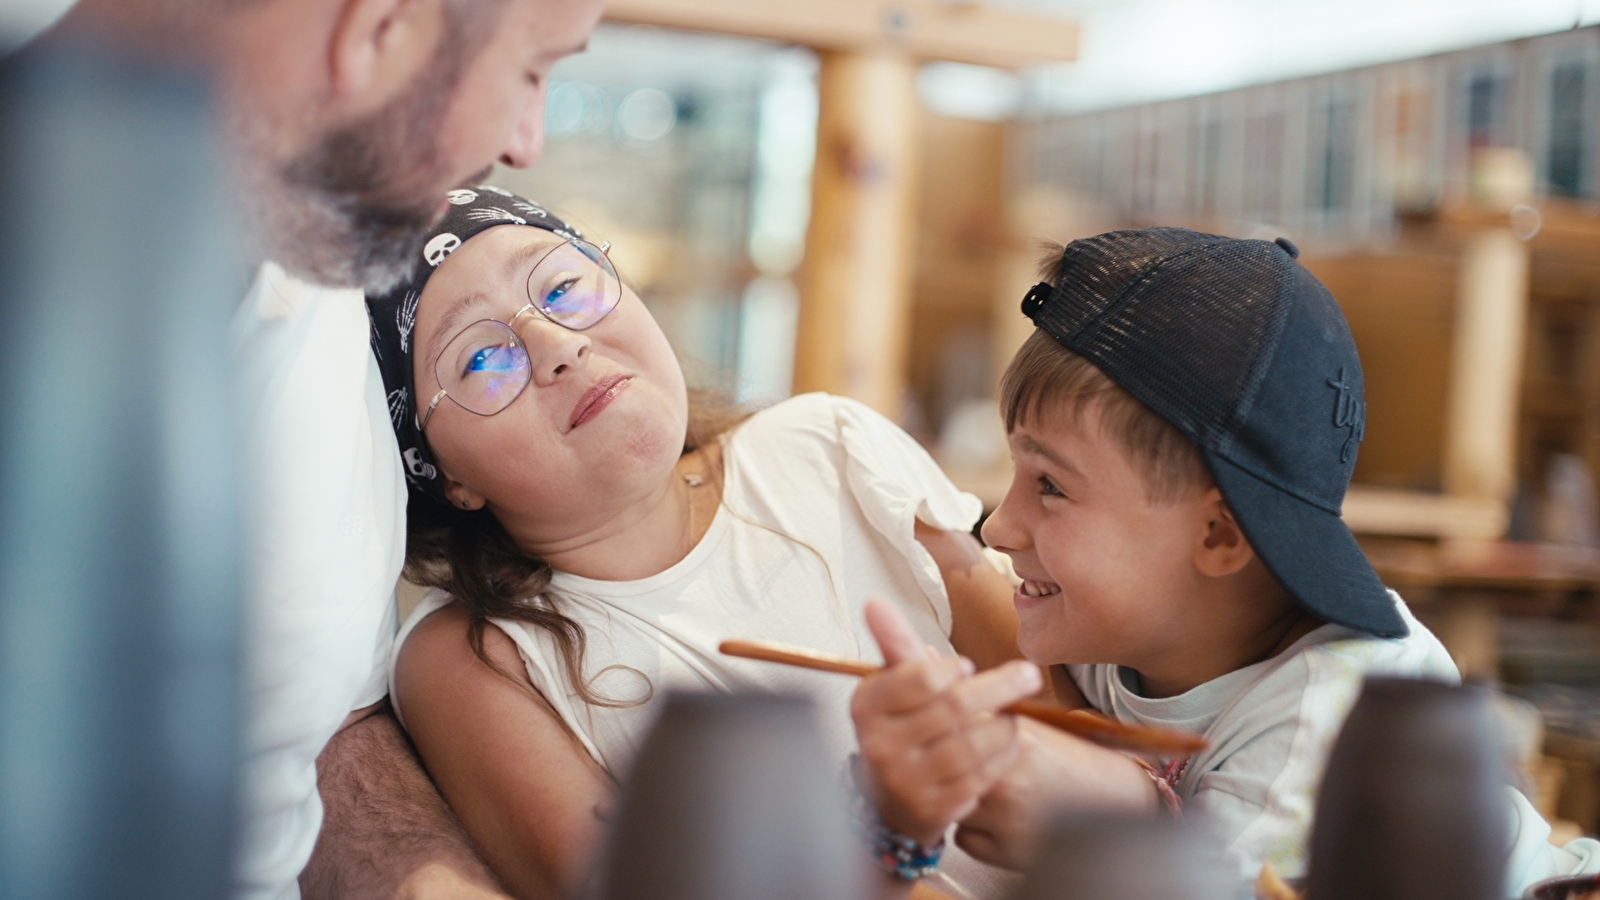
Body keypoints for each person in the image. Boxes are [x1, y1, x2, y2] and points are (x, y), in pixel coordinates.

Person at [32, 1, 606, 897]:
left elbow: (321, 730)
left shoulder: (324, 283)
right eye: (532, 70)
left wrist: (425, 879)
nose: (523, 142)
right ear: (382, 27)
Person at [848, 227, 1600, 896]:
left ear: (1219, 537)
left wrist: (901, 840)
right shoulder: (1130, 625)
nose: (1001, 527)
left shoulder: (1328, 714)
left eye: (1050, 485)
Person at [364, 188, 1035, 900]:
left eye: (563, 287)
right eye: (481, 360)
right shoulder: (473, 657)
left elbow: (1057, 704)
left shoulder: (829, 448)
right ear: (444, 474)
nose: (560, 346)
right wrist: (887, 830)